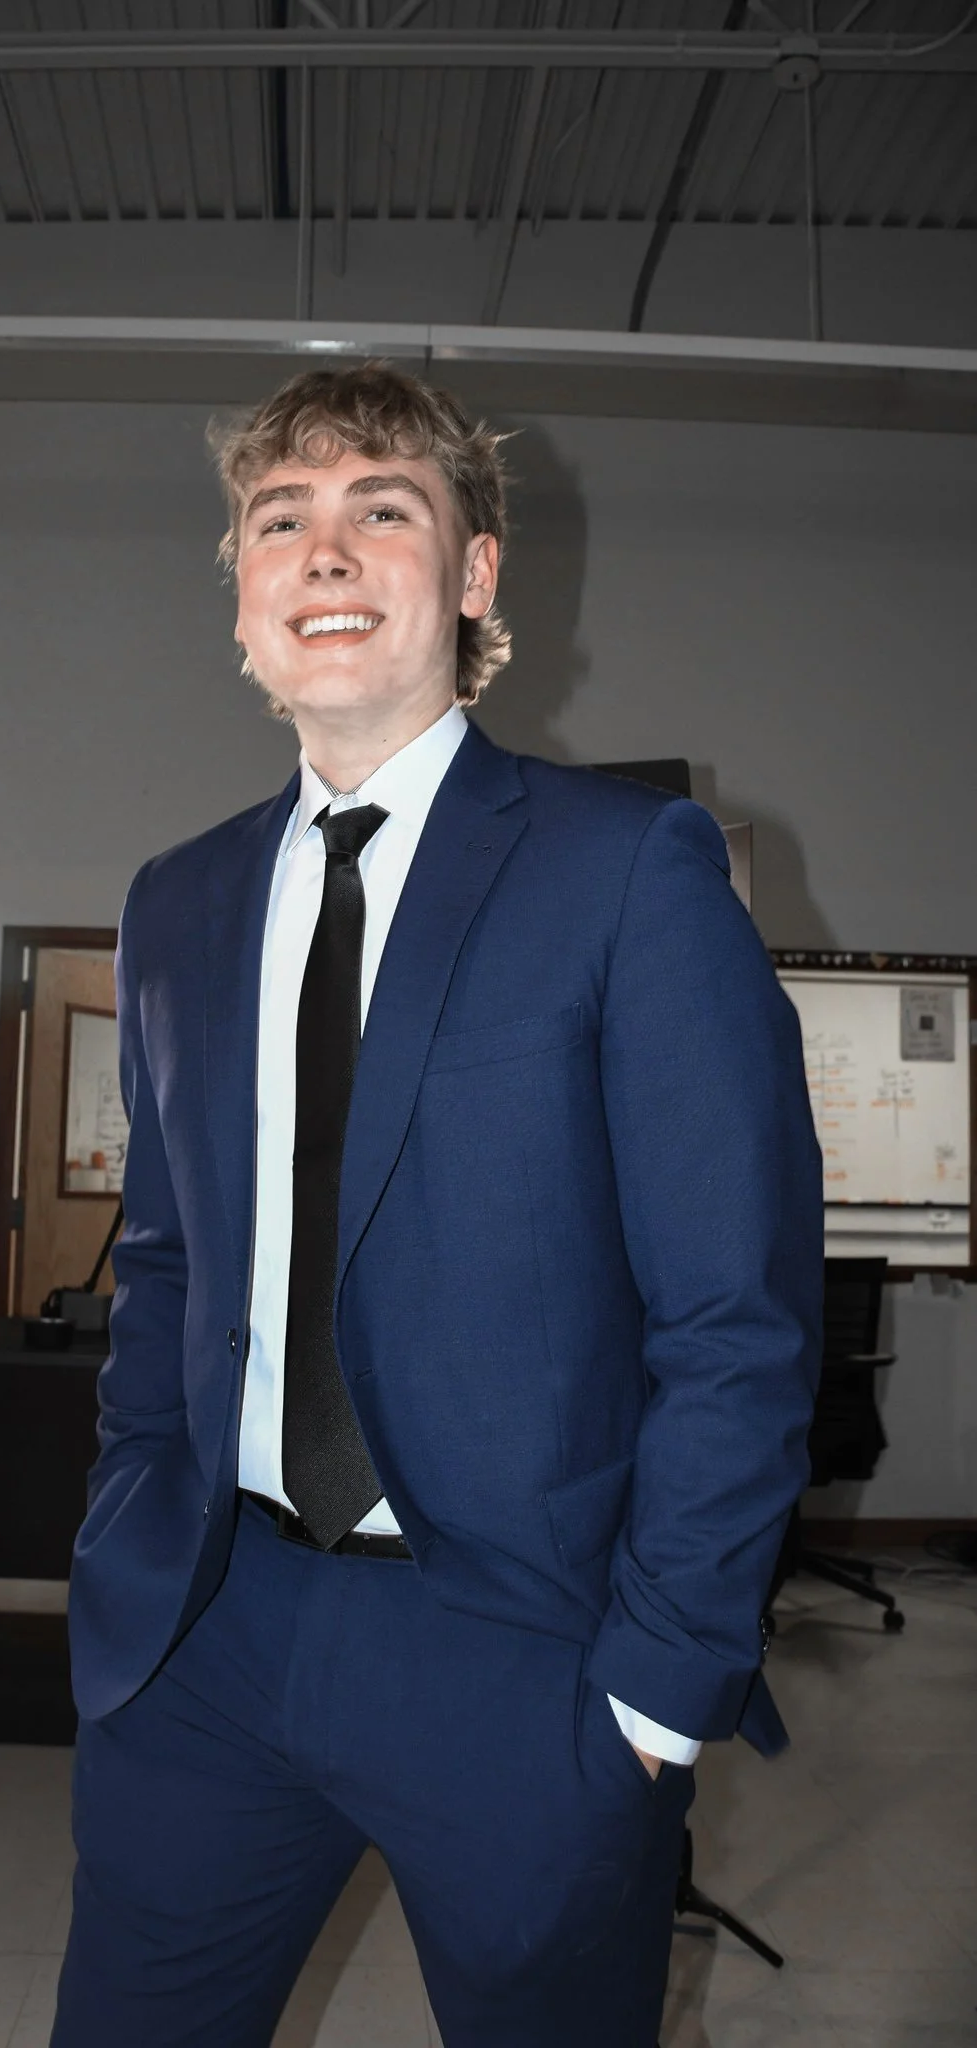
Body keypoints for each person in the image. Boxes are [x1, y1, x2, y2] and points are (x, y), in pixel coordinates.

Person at [51, 362, 821, 2047]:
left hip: (521, 1651)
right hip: (211, 1630)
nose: (323, 551)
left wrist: (653, 1692)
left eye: (379, 509)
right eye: (280, 521)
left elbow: (736, 1318)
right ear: (242, 597)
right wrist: (126, 1536)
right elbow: (166, 1266)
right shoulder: (175, 903)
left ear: (472, 576)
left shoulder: (627, 869)